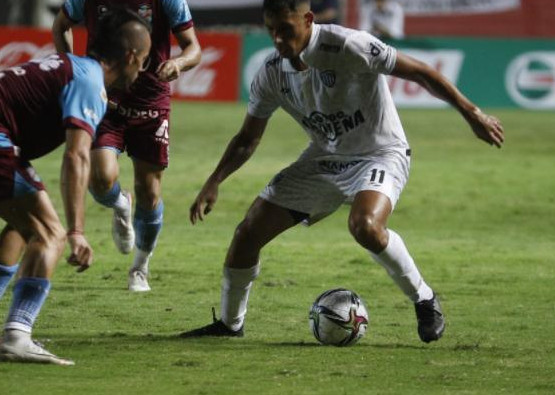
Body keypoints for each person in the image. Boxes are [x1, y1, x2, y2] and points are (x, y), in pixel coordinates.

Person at [179, 0, 504, 343]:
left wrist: (473, 114)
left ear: (307, 19)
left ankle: (424, 299)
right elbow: (247, 139)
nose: (277, 39)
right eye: (271, 30)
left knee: (365, 226)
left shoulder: (349, 45)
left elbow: (420, 71)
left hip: (380, 153)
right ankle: (230, 325)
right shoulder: (272, 72)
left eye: (285, 30)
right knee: (247, 233)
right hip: (324, 159)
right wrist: (213, 182)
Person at [0, 8, 152, 365]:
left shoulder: (68, 68)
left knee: (23, 224)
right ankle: (17, 335)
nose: (143, 69)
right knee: (50, 234)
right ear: (132, 56)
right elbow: (76, 157)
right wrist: (75, 231)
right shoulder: (90, 82)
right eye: (145, 59)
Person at [52, 0, 202, 292]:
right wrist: (74, 70)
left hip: (151, 102)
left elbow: (193, 47)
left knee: (150, 191)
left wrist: (179, 63)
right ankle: (120, 202)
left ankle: (139, 268)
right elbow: (60, 26)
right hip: (105, 95)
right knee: (99, 178)